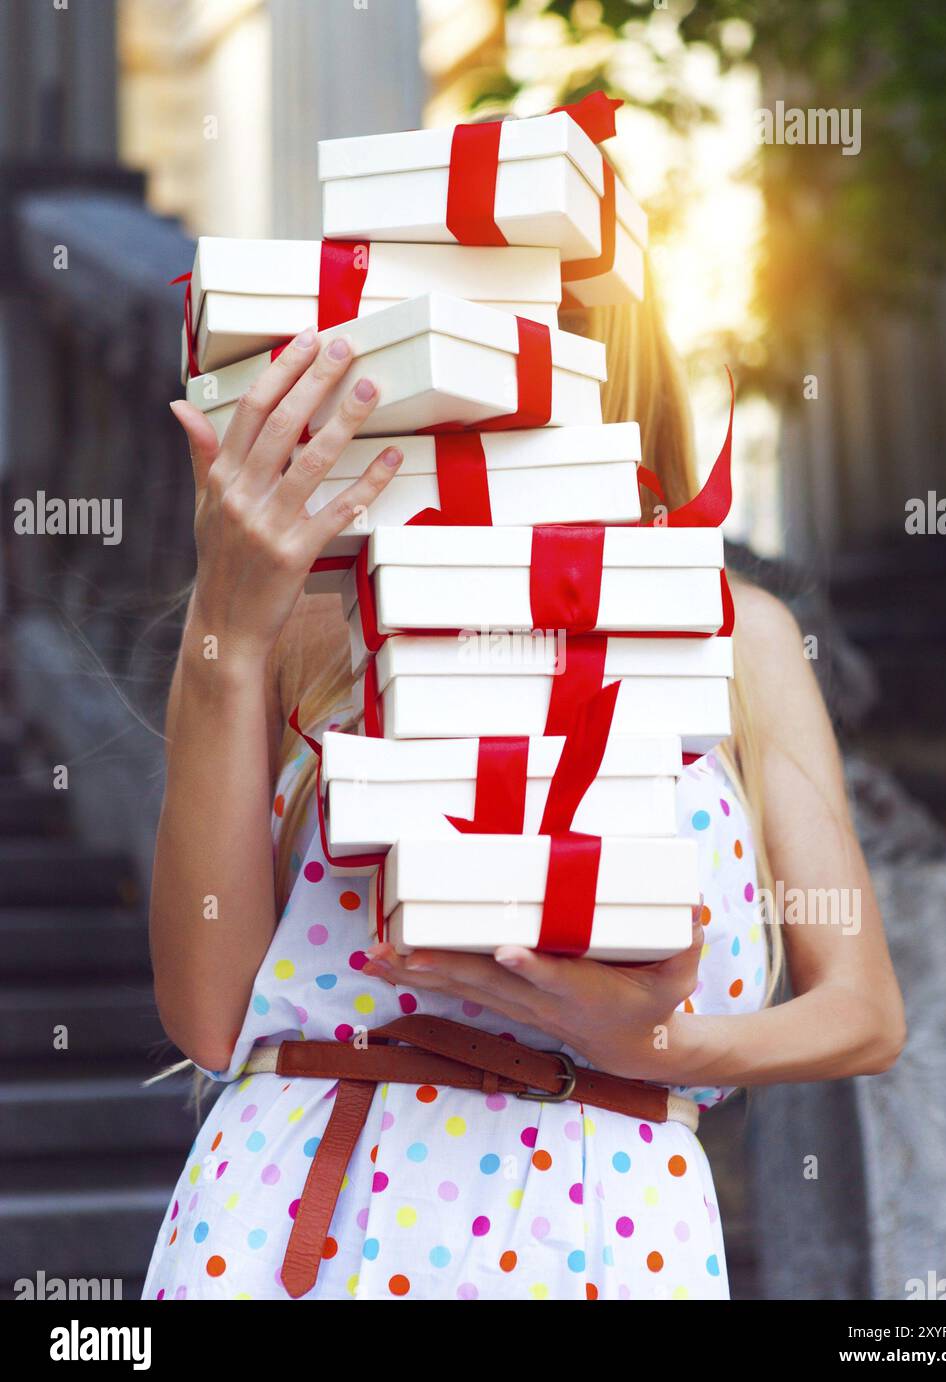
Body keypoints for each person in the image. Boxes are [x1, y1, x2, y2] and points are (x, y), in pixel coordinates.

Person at [142, 289, 905, 1302]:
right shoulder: (309, 631)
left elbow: (863, 1009)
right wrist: (225, 628)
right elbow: (205, 1014)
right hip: (304, 1212)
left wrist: (657, 1043)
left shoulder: (735, 633)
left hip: (607, 1224)